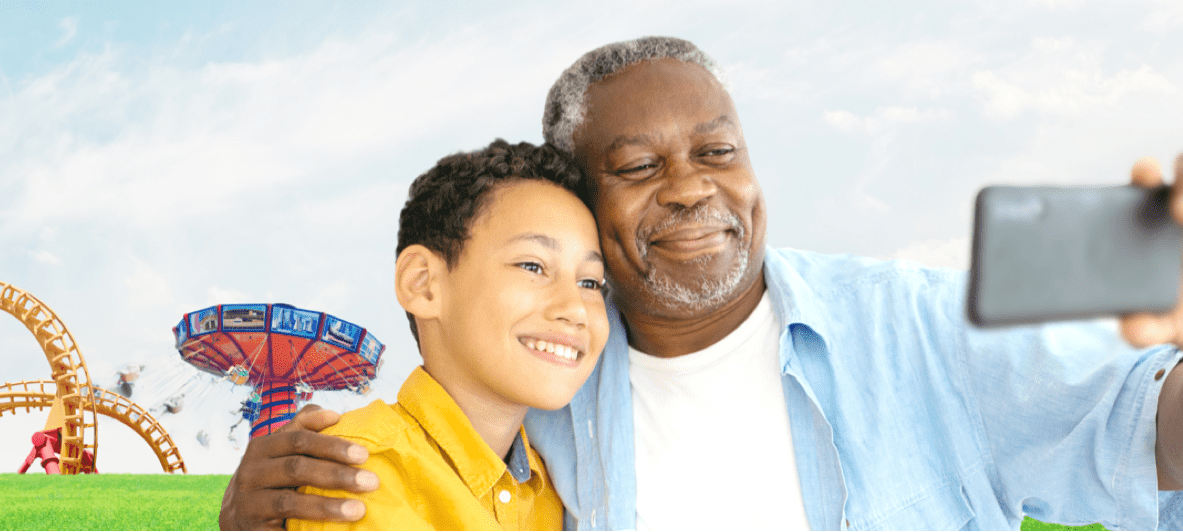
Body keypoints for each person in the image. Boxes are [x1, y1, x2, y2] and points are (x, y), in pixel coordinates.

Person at [221, 36, 1183, 531]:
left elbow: (1140, 430)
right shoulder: (543, 389)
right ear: (581, 208)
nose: (692, 188)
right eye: (638, 167)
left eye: (719, 150)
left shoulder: (914, 328)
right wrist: (253, 511)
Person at [287, 140, 608, 531]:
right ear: (423, 285)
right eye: (532, 265)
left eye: (591, 282)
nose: (575, 308)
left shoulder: (553, 493)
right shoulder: (357, 473)